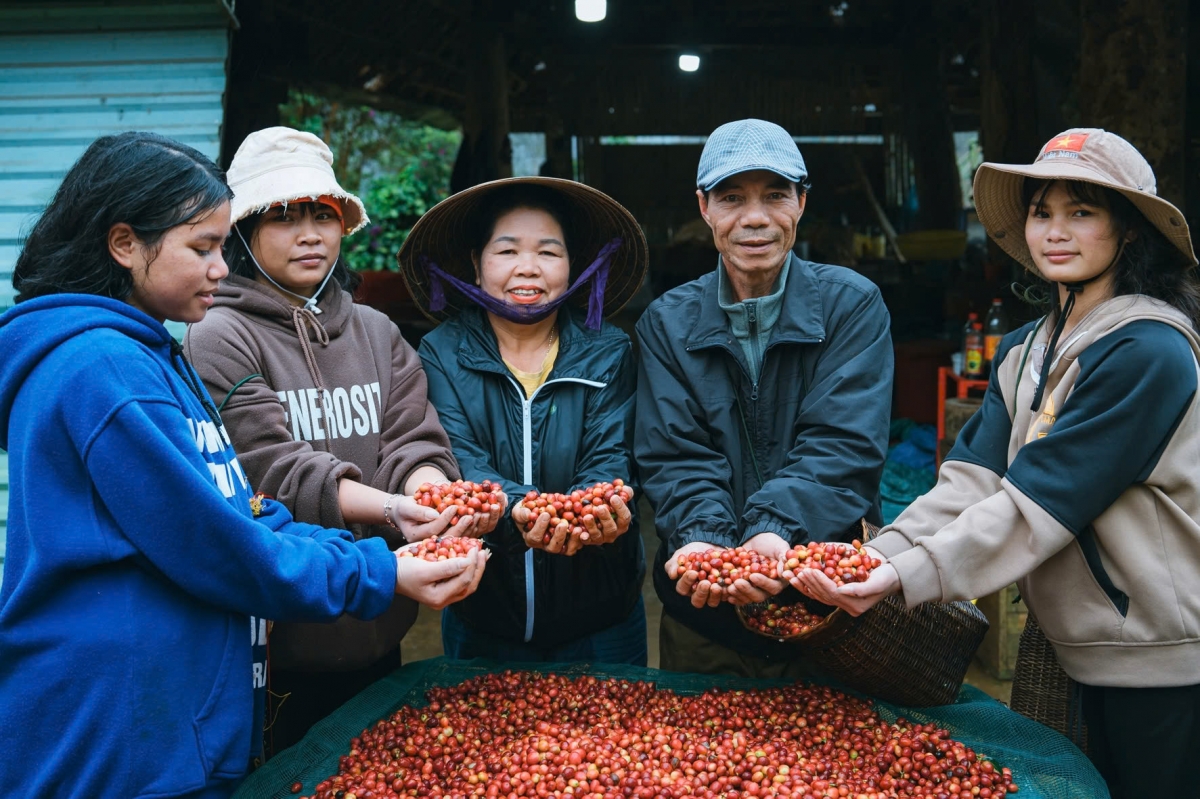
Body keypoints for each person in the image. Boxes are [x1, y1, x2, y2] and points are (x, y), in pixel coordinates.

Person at [0, 131, 486, 798]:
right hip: (119, 735)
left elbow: (244, 509)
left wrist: (400, 513)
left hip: (160, 721)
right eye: (202, 248)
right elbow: (221, 545)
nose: (219, 267)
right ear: (123, 245)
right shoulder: (107, 371)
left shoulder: (148, 358)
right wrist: (378, 566)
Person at [794, 129, 1200, 797]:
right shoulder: (1024, 350)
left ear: (1129, 231)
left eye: (1082, 211)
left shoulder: (1147, 352)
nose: (1054, 231)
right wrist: (878, 555)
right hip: (1075, 649)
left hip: (1158, 661)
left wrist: (900, 576)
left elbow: (1035, 507)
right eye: (1042, 212)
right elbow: (968, 482)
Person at [184, 127, 498, 753]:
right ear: (242, 231)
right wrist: (390, 510)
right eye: (283, 215)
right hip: (281, 651)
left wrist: (432, 496)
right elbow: (271, 467)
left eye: (323, 214)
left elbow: (412, 437)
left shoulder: (378, 331)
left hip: (380, 631)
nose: (309, 233)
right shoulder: (218, 336)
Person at [635, 119, 894, 678]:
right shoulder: (666, 322)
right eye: (732, 198)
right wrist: (707, 545)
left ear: (801, 202)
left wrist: (775, 530)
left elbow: (843, 444)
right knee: (698, 757)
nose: (755, 218)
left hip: (824, 600)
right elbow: (675, 454)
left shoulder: (851, 305)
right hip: (702, 603)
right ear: (704, 207)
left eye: (775, 195)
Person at [398, 177, 649, 663]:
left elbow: (610, 455)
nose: (528, 269)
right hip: (484, 613)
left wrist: (589, 510)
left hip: (602, 616)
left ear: (573, 264)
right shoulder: (442, 353)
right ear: (476, 264)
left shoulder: (609, 350)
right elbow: (461, 460)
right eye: (507, 251)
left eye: (549, 253)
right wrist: (522, 510)